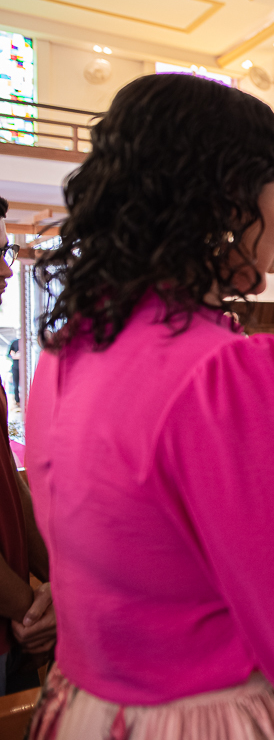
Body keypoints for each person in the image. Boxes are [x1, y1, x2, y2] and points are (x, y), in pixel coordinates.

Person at [22, 74, 274, 738]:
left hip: (89, 707)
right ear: (226, 203)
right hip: (205, 714)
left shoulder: (66, 352)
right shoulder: (228, 377)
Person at [0, 200, 53, 698]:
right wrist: (29, 610)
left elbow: (11, 489)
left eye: (6, 253)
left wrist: (60, 586)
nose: (5, 271)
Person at [6, 338, 18, 410]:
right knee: (15, 385)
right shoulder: (14, 342)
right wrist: (13, 355)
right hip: (15, 367)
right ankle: (17, 401)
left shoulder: (25, 342)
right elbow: (8, 355)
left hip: (24, 367)